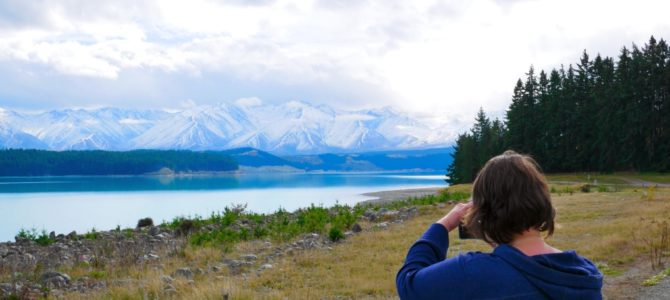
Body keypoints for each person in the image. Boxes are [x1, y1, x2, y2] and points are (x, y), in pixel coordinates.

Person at [396, 150, 603, 299]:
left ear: (483, 213)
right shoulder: (582, 272)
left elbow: (409, 285)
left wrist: (442, 226)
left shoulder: (475, 272)